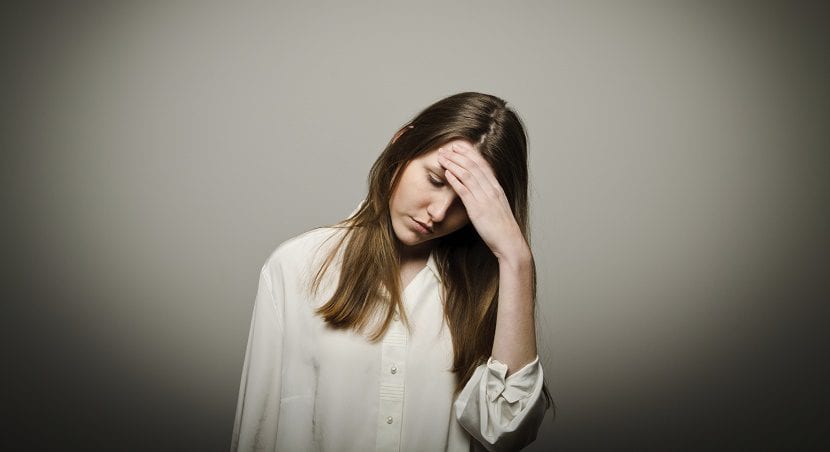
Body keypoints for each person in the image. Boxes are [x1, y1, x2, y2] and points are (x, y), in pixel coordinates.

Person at [230, 92, 554, 451]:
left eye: (465, 202)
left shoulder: (492, 289)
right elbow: (258, 430)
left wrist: (516, 259)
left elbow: (508, 432)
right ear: (401, 144)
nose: (438, 212)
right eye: (435, 180)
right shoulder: (296, 266)